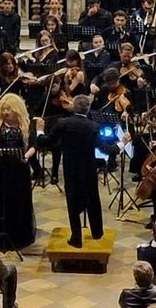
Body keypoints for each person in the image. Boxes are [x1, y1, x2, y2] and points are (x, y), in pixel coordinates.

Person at [34, 94, 110, 247]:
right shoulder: (93, 126)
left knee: (73, 202)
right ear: (88, 109)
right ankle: (97, 232)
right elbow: (106, 148)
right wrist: (122, 143)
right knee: (93, 199)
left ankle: (76, 238)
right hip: (89, 169)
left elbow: (46, 142)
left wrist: (40, 130)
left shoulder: (63, 123)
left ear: (73, 107)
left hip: (71, 169)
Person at [0, 93, 36, 250]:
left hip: (19, 170)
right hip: (0, 169)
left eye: (9, 109)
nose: (5, 112)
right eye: (3, 109)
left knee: (18, 200)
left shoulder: (26, 125)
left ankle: (17, 236)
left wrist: (26, 156)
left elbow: (33, 145)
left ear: (17, 110)